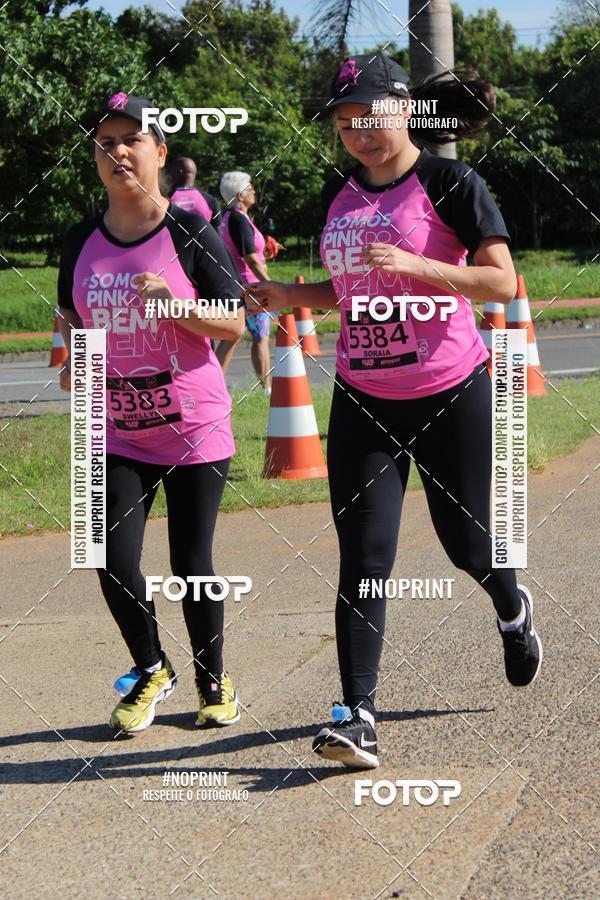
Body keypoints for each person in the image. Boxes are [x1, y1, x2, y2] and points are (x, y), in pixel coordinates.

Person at [247, 56, 543, 769]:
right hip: (364, 398)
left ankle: (512, 607)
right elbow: (346, 289)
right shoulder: (342, 192)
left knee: (467, 546)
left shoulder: (451, 183)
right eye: (345, 124)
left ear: (403, 109)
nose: (358, 134)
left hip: (449, 393)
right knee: (364, 557)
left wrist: (421, 269)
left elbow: (500, 280)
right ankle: (357, 715)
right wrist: (291, 295)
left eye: (370, 118)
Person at [57, 93, 245, 734]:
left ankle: (213, 682)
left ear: (159, 152)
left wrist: (173, 305)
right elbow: (76, 325)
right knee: (106, 551)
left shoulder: (193, 233)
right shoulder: (79, 240)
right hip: (113, 427)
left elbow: (234, 323)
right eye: (106, 144)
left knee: (192, 562)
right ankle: (151, 666)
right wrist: (76, 367)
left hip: (194, 424)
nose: (118, 153)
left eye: (131, 140)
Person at [216, 171, 272, 394]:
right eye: (250, 188)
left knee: (232, 336)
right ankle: (266, 388)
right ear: (239, 195)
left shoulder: (230, 217)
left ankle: (215, 385)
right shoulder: (239, 219)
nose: (254, 191)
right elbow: (249, 257)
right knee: (261, 338)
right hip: (250, 286)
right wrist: (271, 283)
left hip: (236, 285)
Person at [169, 156, 222, 230]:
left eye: (172, 172)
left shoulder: (165, 199)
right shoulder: (211, 201)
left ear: (179, 172)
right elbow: (218, 234)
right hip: (202, 241)